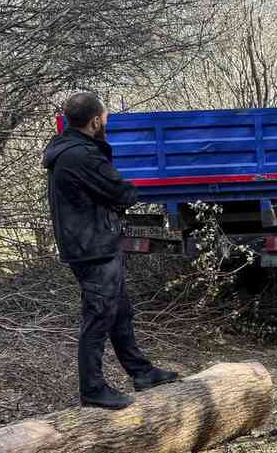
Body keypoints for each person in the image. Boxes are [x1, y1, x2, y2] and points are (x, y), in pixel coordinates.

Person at [43, 93, 178, 409]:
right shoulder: (82, 156)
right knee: (99, 318)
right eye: (105, 118)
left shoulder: (68, 149)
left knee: (119, 313)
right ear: (94, 121)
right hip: (93, 248)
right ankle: (92, 390)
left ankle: (141, 372)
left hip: (92, 244)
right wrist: (129, 192)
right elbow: (121, 193)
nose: (106, 123)